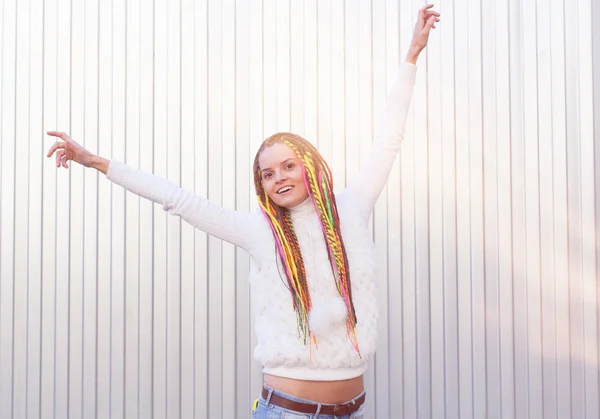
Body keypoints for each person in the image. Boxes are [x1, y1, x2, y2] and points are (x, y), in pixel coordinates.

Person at [47, 5, 439, 418]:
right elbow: (178, 198)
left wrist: (411, 57)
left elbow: (388, 140)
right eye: (268, 174)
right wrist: (96, 162)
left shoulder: (353, 208)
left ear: (310, 164)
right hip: (289, 411)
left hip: (354, 409)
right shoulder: (259, 230)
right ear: (262, 187)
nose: (280, 178)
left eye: (289, 166)